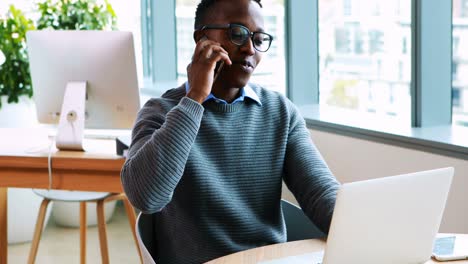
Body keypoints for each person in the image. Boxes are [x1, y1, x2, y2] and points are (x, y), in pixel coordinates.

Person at [121, 0, 340, 263]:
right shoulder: (160, 112)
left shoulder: (280, 112)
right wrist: (195, 99)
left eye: (259, 39)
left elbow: (322, 196)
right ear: (202, 38)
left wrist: (370, 227)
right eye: (237, 34)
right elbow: (146, 197)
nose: (249, 48)